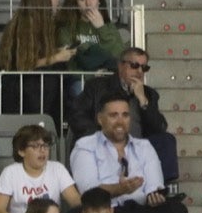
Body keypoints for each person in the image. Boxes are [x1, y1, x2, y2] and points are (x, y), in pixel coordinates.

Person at [68, 48, 178, 187]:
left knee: (166, 140)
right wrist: (103, 139)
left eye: (144, 68)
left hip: (136, 148)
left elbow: (159, 127)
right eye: (134, 66)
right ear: (120, 66)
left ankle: (160, 190)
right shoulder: (97, 87)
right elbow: (77, 115)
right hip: (104, 143)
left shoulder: (149, 95)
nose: (139, 72)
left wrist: (143, 101)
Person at [0, 0, 71, 119]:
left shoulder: (49, 24)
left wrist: (58, 53)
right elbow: (23, 65)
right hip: (18, 89)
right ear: (43, 1)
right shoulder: (21, 26)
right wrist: (56, 57)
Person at [0, 125, 79, 213]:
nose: (42, 151)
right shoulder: (10, 172)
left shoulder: (57, 169)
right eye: (36, 146)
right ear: (21, 151)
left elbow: (75, 200)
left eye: (45, 146)